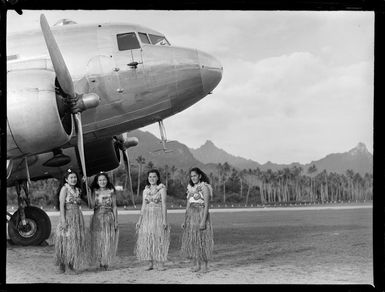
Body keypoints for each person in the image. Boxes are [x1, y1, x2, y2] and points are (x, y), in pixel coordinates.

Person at [135, 169, 170, 271]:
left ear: (158, 177)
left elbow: (164, 204)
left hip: (158, 215)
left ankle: (160, 262)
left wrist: (164, 220)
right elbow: (143, 206)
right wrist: (139, 220)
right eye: (150, 177)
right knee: (148, 238)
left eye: (154, 177)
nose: (152, 179)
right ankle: (150, 262)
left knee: (158, 238)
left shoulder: (162, 189)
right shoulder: (145, 190)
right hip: (147, 217)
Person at [181, 167, 214, 273]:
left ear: (199, 176)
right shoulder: (190, 188)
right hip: (191, 215)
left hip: (201, 214)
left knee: (202, 240)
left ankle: (204, 265)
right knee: (194, 241)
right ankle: (197, 264)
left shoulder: (204, 187)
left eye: (195, 175)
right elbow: (187, 206)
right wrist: (185, 220)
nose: (193, 178)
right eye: (191, 176)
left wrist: (203, 221)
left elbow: (207, 205)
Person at [54, 169, 87, 274]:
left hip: (77, 217)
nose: (73, 179)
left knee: (74, 242)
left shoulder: (78, 190)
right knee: (67, 242)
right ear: (66, 179)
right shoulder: (64, 189)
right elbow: (61, 205)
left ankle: (68, 265)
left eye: (75, 177)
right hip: (68, 217)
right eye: (71, 178)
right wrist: (63, 220)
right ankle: (66, 266)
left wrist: (85, 184)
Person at [89, 172, 119, 271]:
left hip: (109, 217)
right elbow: (92, 206)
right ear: (97, 182)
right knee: (98, 240)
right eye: (100, 180)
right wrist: (89, 193)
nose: (102, 182)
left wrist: (116, 221)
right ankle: (100, 261)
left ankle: (105, 262)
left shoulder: (111, 191)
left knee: (107, 240)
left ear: (107, 180)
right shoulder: (94, 192)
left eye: (104, 179)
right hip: (97, 217)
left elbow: (114, 206)